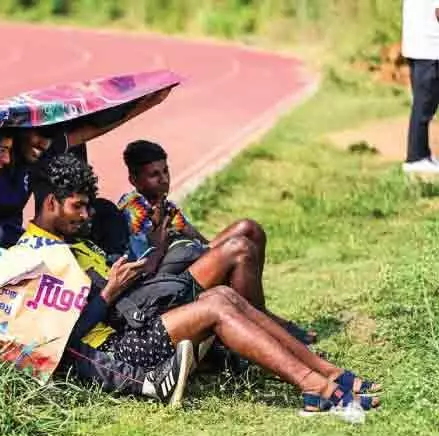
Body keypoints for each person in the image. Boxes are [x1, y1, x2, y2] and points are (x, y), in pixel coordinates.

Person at [25, 153, 381, 413]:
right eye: (78, 207)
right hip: (117, 350)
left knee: (223, 294)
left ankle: (326, 372)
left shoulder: (74, 242)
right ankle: (315, 386)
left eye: (88, 207)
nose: (87, 216)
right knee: (215, 305)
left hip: (137, 321)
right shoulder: (34, 257)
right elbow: (57, 338)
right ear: (52, 202)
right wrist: (108, 292)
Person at [118, 140, 317, 344]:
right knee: (240, 249)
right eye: (154, 175)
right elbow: (146, 269)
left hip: (181, 261)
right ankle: (266, 325)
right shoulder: (135, 210)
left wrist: (197, 240)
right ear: (134, 180)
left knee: (249, 229)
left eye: (165, 171)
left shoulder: (162, 204)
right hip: (159, 283)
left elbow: (200, 241)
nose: (163, 179)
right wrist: (162, 238)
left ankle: (259, 310)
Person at [0, 89, 173, 247]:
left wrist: (147, 103)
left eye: (48, 140)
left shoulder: (39, 150)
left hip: (18, 238)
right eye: (39, 137)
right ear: (22, 132)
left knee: (104, 210)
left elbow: (91, 131)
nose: (43, 145)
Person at [402, 0, 439, 175]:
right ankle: (415, 158)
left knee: (422, 104)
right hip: (431, 49)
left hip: (415, 46)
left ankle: (422, 154)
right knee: (424, 106)